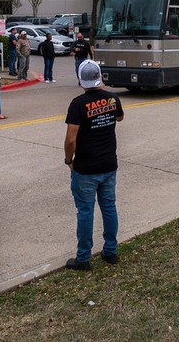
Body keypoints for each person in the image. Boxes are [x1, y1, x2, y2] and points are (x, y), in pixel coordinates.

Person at [64, 60, 124, 270]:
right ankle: (110, 251)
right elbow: (120, 118)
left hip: (86, 168)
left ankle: (83, 258)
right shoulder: (113, 98)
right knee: (109, 207)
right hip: (108, 164)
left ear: (81, 79)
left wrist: (68, 160)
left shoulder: (78, 104)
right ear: (100, 77)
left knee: (85, 211)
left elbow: (71, 139)